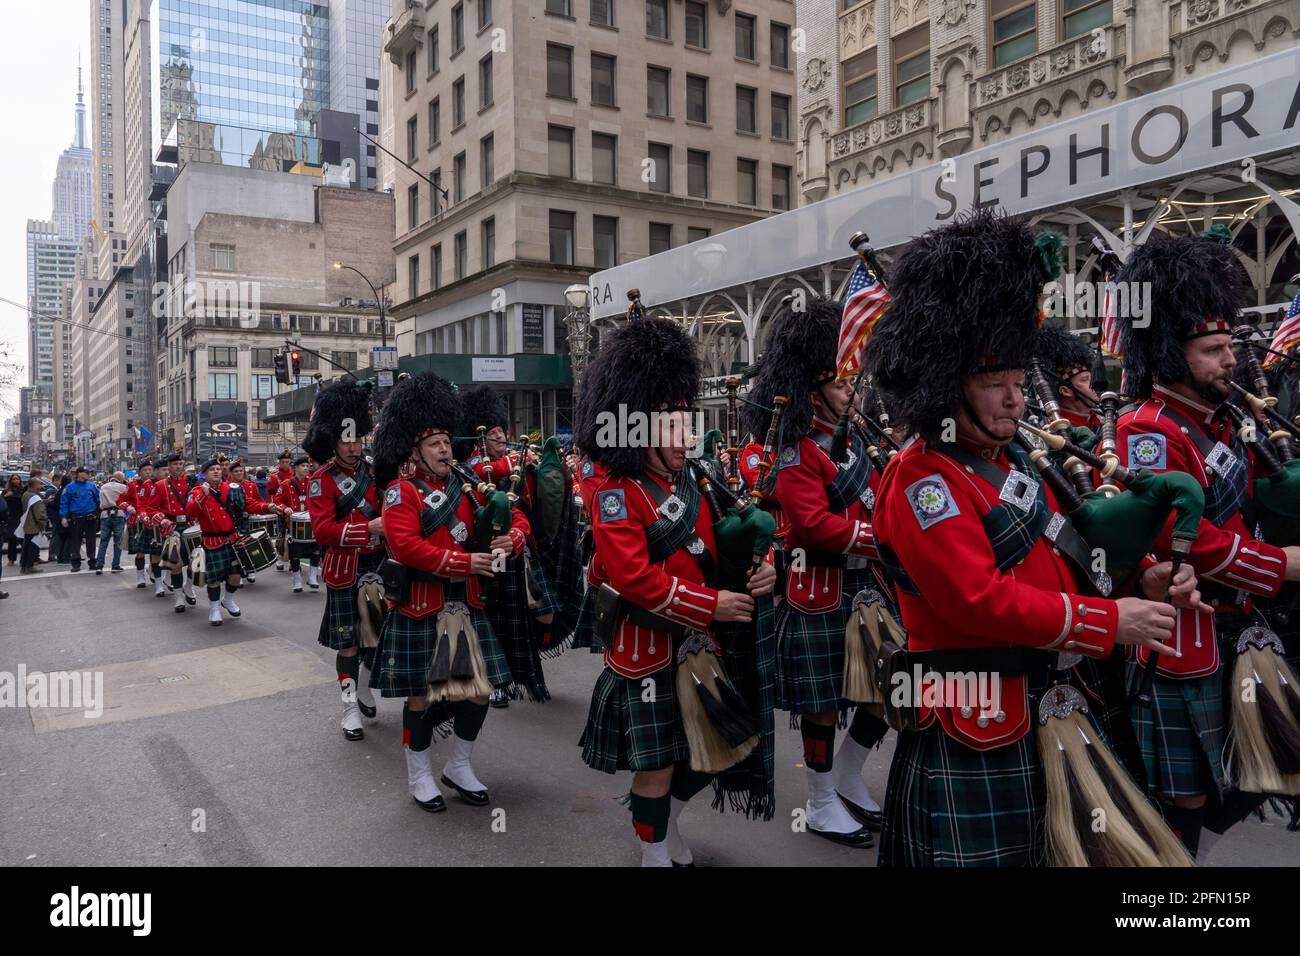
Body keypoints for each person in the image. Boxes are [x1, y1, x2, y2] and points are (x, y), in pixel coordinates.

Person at [866, 209, 1195, 866]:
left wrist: (1138, 578)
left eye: (1019, 384)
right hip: (975, 720)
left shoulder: (1010, 460)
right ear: (945, 387)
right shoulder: (920, 480)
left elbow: (1062, 553)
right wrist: (1108, 621)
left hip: (1050, 702)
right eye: (996, 385)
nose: (1017, 401)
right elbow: (976, 602)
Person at [1115, 232, 1300, 855]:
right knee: (1186, 794)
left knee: (1245, 779)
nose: (1230, 361)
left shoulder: (1220, 421)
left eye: (1229, 347)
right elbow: (1185, 538)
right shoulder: (1147, 428)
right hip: (1183, 641)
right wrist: (1284, 565)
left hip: (1239, 628)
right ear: (1173, 353)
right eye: (1213, 350)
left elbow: (1250, 504)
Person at [575, 314, 777, 866]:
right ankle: (653, 850)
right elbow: (633, 578)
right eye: (670, 423)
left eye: (683, 419)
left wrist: (766, 568)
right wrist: (712, 604)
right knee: (659, 762)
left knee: (710, 752)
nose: (685, 435)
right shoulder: (616, 495)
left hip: (701, 645)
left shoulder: (698, 477)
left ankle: (662, 828)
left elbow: (743, 533)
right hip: (648, 649)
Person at [740, 296, 886, 848]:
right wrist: (883, 541)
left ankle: (848, 774)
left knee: (886, 688)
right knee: (823, 704)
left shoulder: (854, 441)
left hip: (864, 587)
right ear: (814, 387)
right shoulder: (796, 449)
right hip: (817, 588)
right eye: (842, 382)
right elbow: (814, 524)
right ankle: (821, 800)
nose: (852, 390)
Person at [370, 372, 527, 811]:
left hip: (465, 604)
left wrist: (507, 541)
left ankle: (458, 764)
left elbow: (517, 520)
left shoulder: (468, 488)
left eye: (445, 441)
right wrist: (464, 562)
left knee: (477, 690)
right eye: (435, 443)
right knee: (421, 696)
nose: (445, 449)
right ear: (414, 450)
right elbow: (406, 546)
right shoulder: (401, 493)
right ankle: (419, 774)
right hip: (422, 607)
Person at [457, 385, 552, 707]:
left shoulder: (512, 463)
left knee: (543, 613)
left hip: (516, 552)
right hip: (484, 553)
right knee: (492, 615)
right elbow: (477, 476)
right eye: (494, 433)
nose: (501, 438)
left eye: (502, 432)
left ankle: (521, 666)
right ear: (480, 438)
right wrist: (514, 460)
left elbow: (522, 508)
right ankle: (496, 681)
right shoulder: (471, 466)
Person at [304, 380, 382, 741]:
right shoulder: (321, 481)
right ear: (332, 441)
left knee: (376, 638)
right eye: (345, 440)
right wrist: (370, 527)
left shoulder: (377, 472)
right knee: (349, 644)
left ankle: (364, 685)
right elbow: (322, 531)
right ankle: (349, 706)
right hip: (345, 569)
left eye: (357, 439)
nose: (353, 446)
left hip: (380, 565)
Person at [187, 457, 284, 626]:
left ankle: (228, 600)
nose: (216, 471)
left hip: (232, 538)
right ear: (204, 474)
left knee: (235, 576)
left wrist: (266, 507)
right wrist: (204, 494)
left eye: (218, 468)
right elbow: (190, 512)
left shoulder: (232, 488)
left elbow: (248, 504)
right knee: (214, 579)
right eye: (212, 469)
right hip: (212, 540)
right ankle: (214, 609)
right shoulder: (196, 492)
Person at [148, 453, 199, 611]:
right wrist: (161, 519)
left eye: (180, 463)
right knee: (175, 564)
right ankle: (178, 598)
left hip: (190, 525)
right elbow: (151, 509)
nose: (178, 466)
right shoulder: (160, 485)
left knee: (197, 560)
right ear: (169, 467)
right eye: (175, 464)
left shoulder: (191, 482)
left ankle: (189, 587)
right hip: (172, 527)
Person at [273, 455, 320, 592]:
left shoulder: (313, 483)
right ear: (296, 468)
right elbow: (277, 501)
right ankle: (297, 579)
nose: (306, 468)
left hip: (311, 522)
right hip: (293, 523)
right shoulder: (286, 484)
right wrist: (285, 508)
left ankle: (312, 577)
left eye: (307, 466)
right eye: (302, 466)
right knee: (294, 552)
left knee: (315, 549)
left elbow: (320, 500)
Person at [121, 458, 160, 588]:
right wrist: (127, 507)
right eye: (145, 470)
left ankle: (153, 571)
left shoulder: (156, 484)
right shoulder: (132, 485)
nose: (148, 472)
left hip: (153, 521)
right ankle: (140, 576)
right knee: (140, 551)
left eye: (150, 470)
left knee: (155, 550)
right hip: (137, 522)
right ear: (140, 472)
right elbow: (120, 500)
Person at [61, 466, 101, 572]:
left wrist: (98, 513)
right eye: (86, 472)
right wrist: (63, 517)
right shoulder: (70, 487)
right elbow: (64, 503)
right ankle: (75, 563)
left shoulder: (92, 486)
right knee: (75, 541)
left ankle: (92, 561)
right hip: (76, 518)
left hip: (90, 517)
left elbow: (98, 501)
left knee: (91, 541)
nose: (88, 474)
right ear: (79, 474)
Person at [94, 471, 129, 574]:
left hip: (105, 515)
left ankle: (99, 566)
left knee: (103, 541)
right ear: (121, 478)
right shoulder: (123, 487)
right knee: (118, 542)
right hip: (119, 514)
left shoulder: (103, 487)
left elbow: (100, 504)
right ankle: (115, 565)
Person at [19, 476, 48, 574]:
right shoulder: (35, 496)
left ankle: (24, 565)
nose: (41, 485)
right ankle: (29, 566)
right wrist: (42, 524)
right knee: (32, 547)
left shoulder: (26, 494)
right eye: (40, 483)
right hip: (34, 525)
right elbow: (39, 513)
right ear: (35, 485)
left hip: (27, 524)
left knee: (26, 546)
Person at [3, 474, 23, 567]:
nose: (16, 481)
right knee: (12, 539)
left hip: (21, 517)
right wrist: (6, 495)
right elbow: (2, 502)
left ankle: (28, 557)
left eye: (17, 479)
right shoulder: (6, 491)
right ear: (11, 481)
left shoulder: (22, 491)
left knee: (23, 539)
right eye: (14, 479)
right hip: (11, 518)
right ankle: (11, 559)